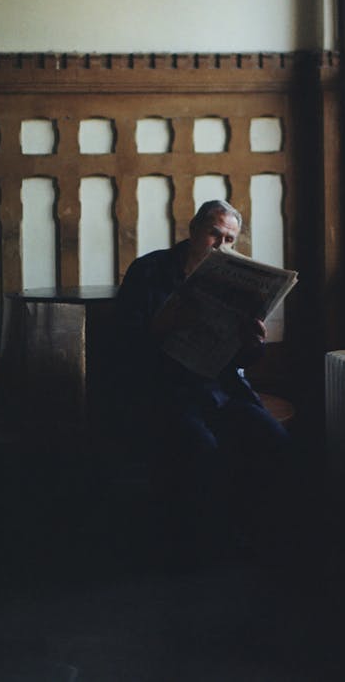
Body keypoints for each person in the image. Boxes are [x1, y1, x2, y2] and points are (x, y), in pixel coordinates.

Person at [113, 199, 291, 564]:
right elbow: (122, 344)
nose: (221, 245)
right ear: (193, 230)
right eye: (214, 234)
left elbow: (244, 362)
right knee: (201, 447)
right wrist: (161, 325)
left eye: (229, 239)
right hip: (164, 389)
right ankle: (201, 547)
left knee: (275, 441)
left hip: (220, 390)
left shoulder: (234, 280)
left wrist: (254, 343)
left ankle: (259, 538)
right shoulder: (149, 271)